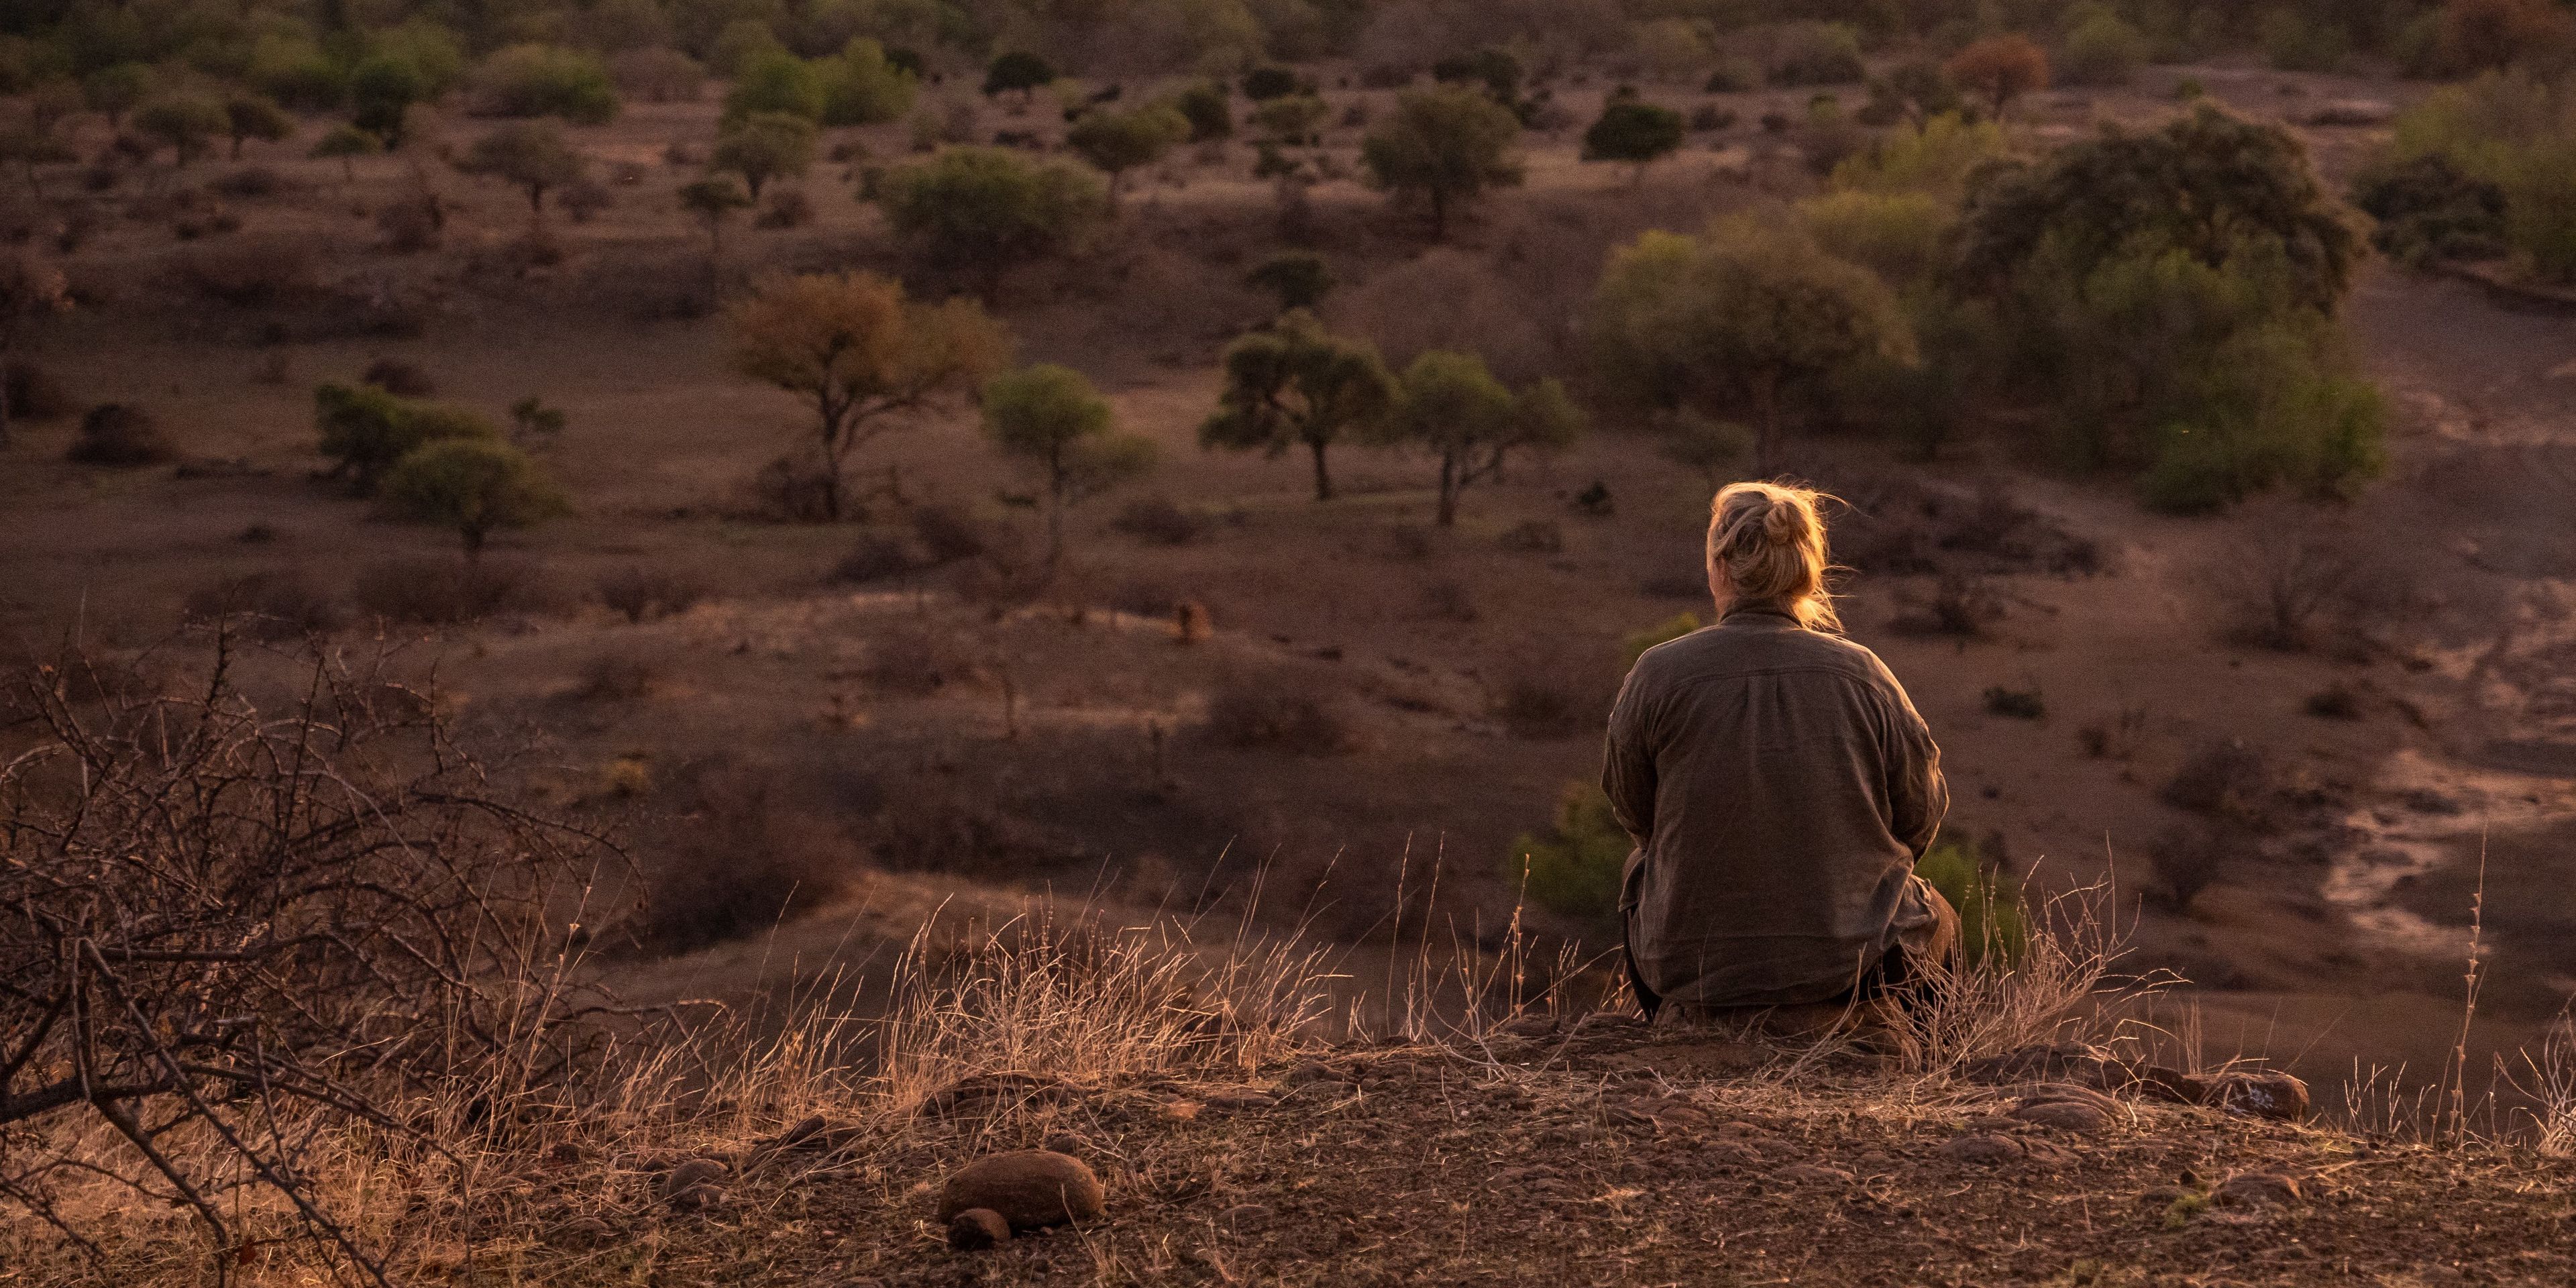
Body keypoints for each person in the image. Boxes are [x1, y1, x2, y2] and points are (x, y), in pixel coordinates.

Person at [1602, 481, 1957, 1030]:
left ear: (1719, 568)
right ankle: (1936, 1065)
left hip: (1690, 965)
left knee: (1639, 871)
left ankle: (1675, 1026)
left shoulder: (1656, 674)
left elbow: (1634, 811)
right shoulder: (1864, 675)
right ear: (1807, 571)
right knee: (1941, 917)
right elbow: (1920, 815)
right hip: (1852, 967)